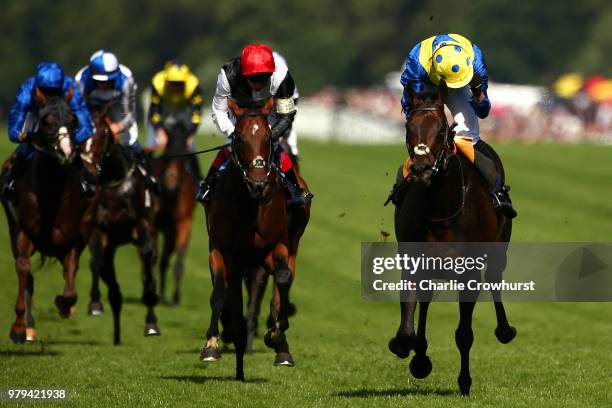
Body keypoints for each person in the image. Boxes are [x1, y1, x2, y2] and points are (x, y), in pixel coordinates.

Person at [398, 33, 516, 218]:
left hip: (456, 82)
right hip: (427, 81)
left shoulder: (474, 59)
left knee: (466, 137)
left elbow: (483, 111)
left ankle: (498, 192)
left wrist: (478, 93)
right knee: (421, 138)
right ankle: (402, 191)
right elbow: (409, 101)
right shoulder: (417, 60)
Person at [197, 44, 312, 205]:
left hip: (271, 110)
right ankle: (207, 184)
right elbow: (219, 112)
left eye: (263, 79)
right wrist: (235, 134)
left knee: (273, 147)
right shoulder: (227, 75)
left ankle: (295, 189)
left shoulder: (282, 76)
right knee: (232, 146)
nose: (258, 84)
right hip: (239, 109)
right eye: (253, 79)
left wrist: (269, 136)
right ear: (244, 74)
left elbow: (286, 115)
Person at [3, 62, 94, 199]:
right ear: (37, 88)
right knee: (26, 147)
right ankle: (11, 181)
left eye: (55, 92)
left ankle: (85, 182)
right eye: (46, 91)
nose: (51, 96)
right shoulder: (27, 89)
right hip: (36, 118)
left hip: (62, 120)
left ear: (61, 86)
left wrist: (71, 141)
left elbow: (86, 125)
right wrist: (20, 135)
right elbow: (15, 119)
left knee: (71, 148)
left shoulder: (70, 88)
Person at [76, 50, 156, 189]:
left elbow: (129, 115)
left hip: (119, 109)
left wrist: (116, 127)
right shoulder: (82, 80)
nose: (105, 85)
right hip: (92, 112)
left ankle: (148, 176)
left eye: (109, 81)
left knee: (129, 141)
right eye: (100, 81)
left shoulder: (125, 80)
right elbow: (80, 111)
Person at [146, 60, 203, 184]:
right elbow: (154, 111)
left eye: (179, 84)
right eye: (172, 83)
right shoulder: (158, 82)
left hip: (183, 110)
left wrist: (190, 135)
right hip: (163, 110)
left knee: (190, 148)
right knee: (154, 144)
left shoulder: (193, 84)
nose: (175, 87)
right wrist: (159, 131)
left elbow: (196, 115)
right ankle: (148, 178)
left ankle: (198, 182)